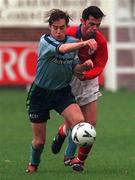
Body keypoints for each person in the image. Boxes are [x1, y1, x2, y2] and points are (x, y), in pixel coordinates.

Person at [25, 9, 97, 173]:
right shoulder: (45, 41)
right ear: (50, 27)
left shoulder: (72, 42)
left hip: (62, 92)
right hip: (40, 94)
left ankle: (69, 156)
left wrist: (84, 66)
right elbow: (63, 49)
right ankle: (34, 164)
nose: (58, 31)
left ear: (67, 27)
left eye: (62, 28)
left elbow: (75, 68)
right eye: (55, 27)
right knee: (39, 142)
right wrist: (84, 43)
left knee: (79, 121)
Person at [51, 6, 108, 172]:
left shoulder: (100, 41)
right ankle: (62, 132)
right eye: (91, 24)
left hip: (88, 82)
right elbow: (54, 52)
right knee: (76, 120)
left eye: (98, 24)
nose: (94, 28)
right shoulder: (67, 34)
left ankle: (79, 161)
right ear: (83, 21)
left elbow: (100, 65)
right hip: (69, 81)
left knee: (90, 125)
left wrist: (86, 74)